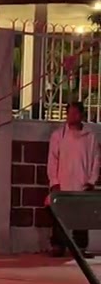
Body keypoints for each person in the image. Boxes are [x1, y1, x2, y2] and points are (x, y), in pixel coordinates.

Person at [47, 101, 98, 259]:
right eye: (69, 113)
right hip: (62, 182)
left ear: (81, 115)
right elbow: (52, 160)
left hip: (82, 183)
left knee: (82, 217)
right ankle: (58, 246)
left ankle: (80, 247)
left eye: (75, 113)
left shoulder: (90, 137)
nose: (72, 116)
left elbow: (96, 160)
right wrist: (54, 181)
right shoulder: (58, 135)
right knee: (59, 217)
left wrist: (92, 180)